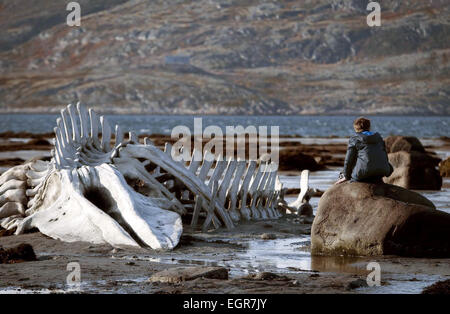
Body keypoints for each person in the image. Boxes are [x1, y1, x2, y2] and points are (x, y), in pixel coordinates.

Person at [335, 117, 393, 185]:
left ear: (356, 128)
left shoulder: (355, 138)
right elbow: (385, 156)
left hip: (364, 173)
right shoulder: (379, 137)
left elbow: (348, 160)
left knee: (343, 174)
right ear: (369, 127)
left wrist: (346, 176)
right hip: (383, 171)